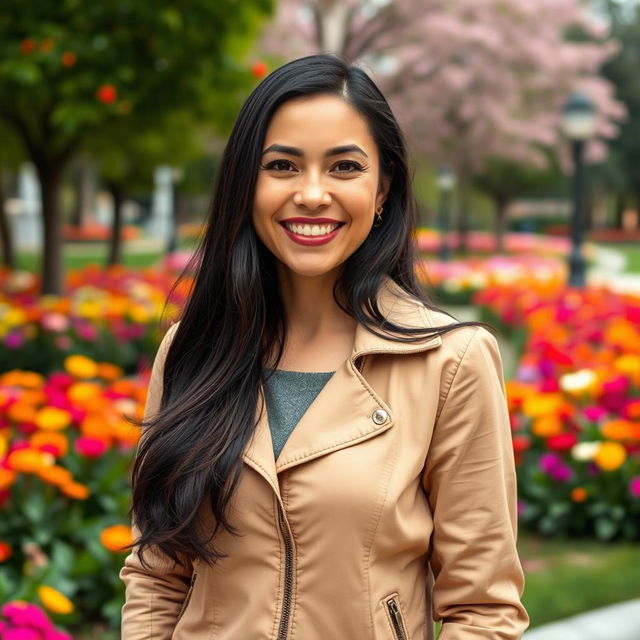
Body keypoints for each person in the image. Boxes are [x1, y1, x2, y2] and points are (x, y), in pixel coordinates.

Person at [119, 53, 529, 640]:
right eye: (283, 165)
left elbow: (484, 609)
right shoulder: (192, 351)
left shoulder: (451, 364)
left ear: (382, 185)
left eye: (344, 167)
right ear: (246, 184)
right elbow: (157, 576)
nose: (312, 194)